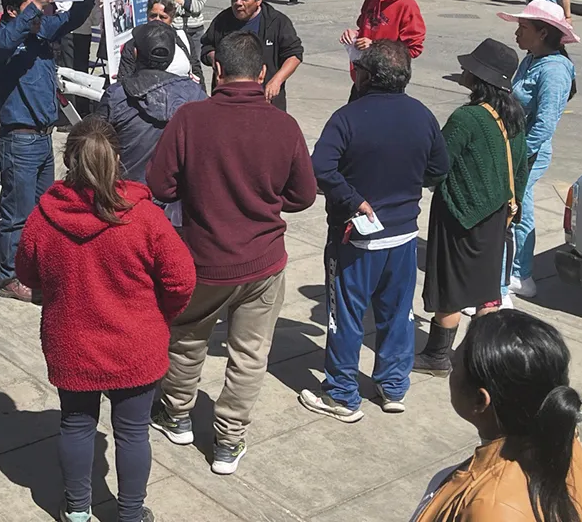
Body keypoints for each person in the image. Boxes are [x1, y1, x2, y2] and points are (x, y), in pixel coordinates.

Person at [147, 31, 317, 476]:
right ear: (262, 74)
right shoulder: (284, 125)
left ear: (216, 70)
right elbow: (303, 196)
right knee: (249, 354)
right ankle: (228, 441)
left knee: (186, 340)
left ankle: (178, 415)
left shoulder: (189, 119)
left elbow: (159, 186)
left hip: (202, 259)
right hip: (263, 262)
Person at [15, 117, 195, 522]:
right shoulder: (145, 217)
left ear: (67, 160)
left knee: (76, 426)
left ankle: (77, 510)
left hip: (71, 342)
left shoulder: (45, 217)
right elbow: (182, 279)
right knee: (132, 432)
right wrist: (159, 315)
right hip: (135, 344)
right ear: (118, 158)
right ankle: (130, 514)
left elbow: (25, 273)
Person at [300, 40, 449, 423]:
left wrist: (352, 199)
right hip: (403, 236)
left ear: (366, 76)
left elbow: (320, 168)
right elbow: (438, 169)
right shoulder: (423, 116)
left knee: (346, 315)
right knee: (398, 313)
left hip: (356, 238)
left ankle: (341, 394)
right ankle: (393, 386)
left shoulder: (348, 118)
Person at [413, 39, 529, 377]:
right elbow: (520, 170)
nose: (463, 71)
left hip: (459, 217)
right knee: (486, 292)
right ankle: (480, 360)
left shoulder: (466, 118)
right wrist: (512, 209)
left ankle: (437, 357)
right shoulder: (516, 118)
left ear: (480, 78)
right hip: (497, 217)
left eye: (470, 67)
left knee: (450, 288)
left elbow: (436, 166)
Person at [411, 311, 582, 522]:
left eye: (455, 364)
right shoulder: (564, 441)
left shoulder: (491, 510)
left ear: (480, 400)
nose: (451, 365)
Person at [0, 0, 96, 302]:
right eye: (31, 7)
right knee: (17, 211)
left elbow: (71, 19)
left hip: (43, 137)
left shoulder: (38, 30)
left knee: (44, 210)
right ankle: (9, 278)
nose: (41, 14)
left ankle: (38, 267)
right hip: (18, 139)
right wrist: (36, 6)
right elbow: (2, 44)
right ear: (12, 10)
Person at [498, 0, 579, 302]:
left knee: (512, 213)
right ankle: (521, 273)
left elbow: (545, 124)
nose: (516, 34)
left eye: (523, 28)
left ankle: (505, 283)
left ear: (543, 33)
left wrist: (517, 155)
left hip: (528, 154)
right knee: (522, 210)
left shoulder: (555, 70)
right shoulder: (531, 58)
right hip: (517, 149)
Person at [97, 22, 206, 225]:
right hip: (175, 205)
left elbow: (94, 147)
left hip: (130, 202)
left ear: (136, 53)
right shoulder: (196, 94)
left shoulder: (117, 96)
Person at [200, 0, 304, 110]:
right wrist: (214, 58)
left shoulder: (277, 22)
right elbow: (207, 46)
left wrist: (276, 81)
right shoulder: (222, 21)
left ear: (258, 0)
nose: (238, 3)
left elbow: (294, 55)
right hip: (227, 101)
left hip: (266, 100)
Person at [340, 0, 426, 99]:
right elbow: (365, 27)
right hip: (362, 76)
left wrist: (375, 47)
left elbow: (413, 48)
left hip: (385, 83)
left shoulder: (407, 6)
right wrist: (354, 35)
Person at [118, 0, 195, 80]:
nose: (157, 20)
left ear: (172, 18)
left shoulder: (184, 39)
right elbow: (123, 81)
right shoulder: (133, 45)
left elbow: (197, 73)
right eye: (153, 16)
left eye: (163, 17)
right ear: (147, 15)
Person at [164, 0, 209, 88]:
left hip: (195, 29)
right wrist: (180, 4)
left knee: (195, 66)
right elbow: (169, 4)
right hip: (177, 28)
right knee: (177, 65)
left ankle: (199, 92)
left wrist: (182, 1)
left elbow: (198, 6)